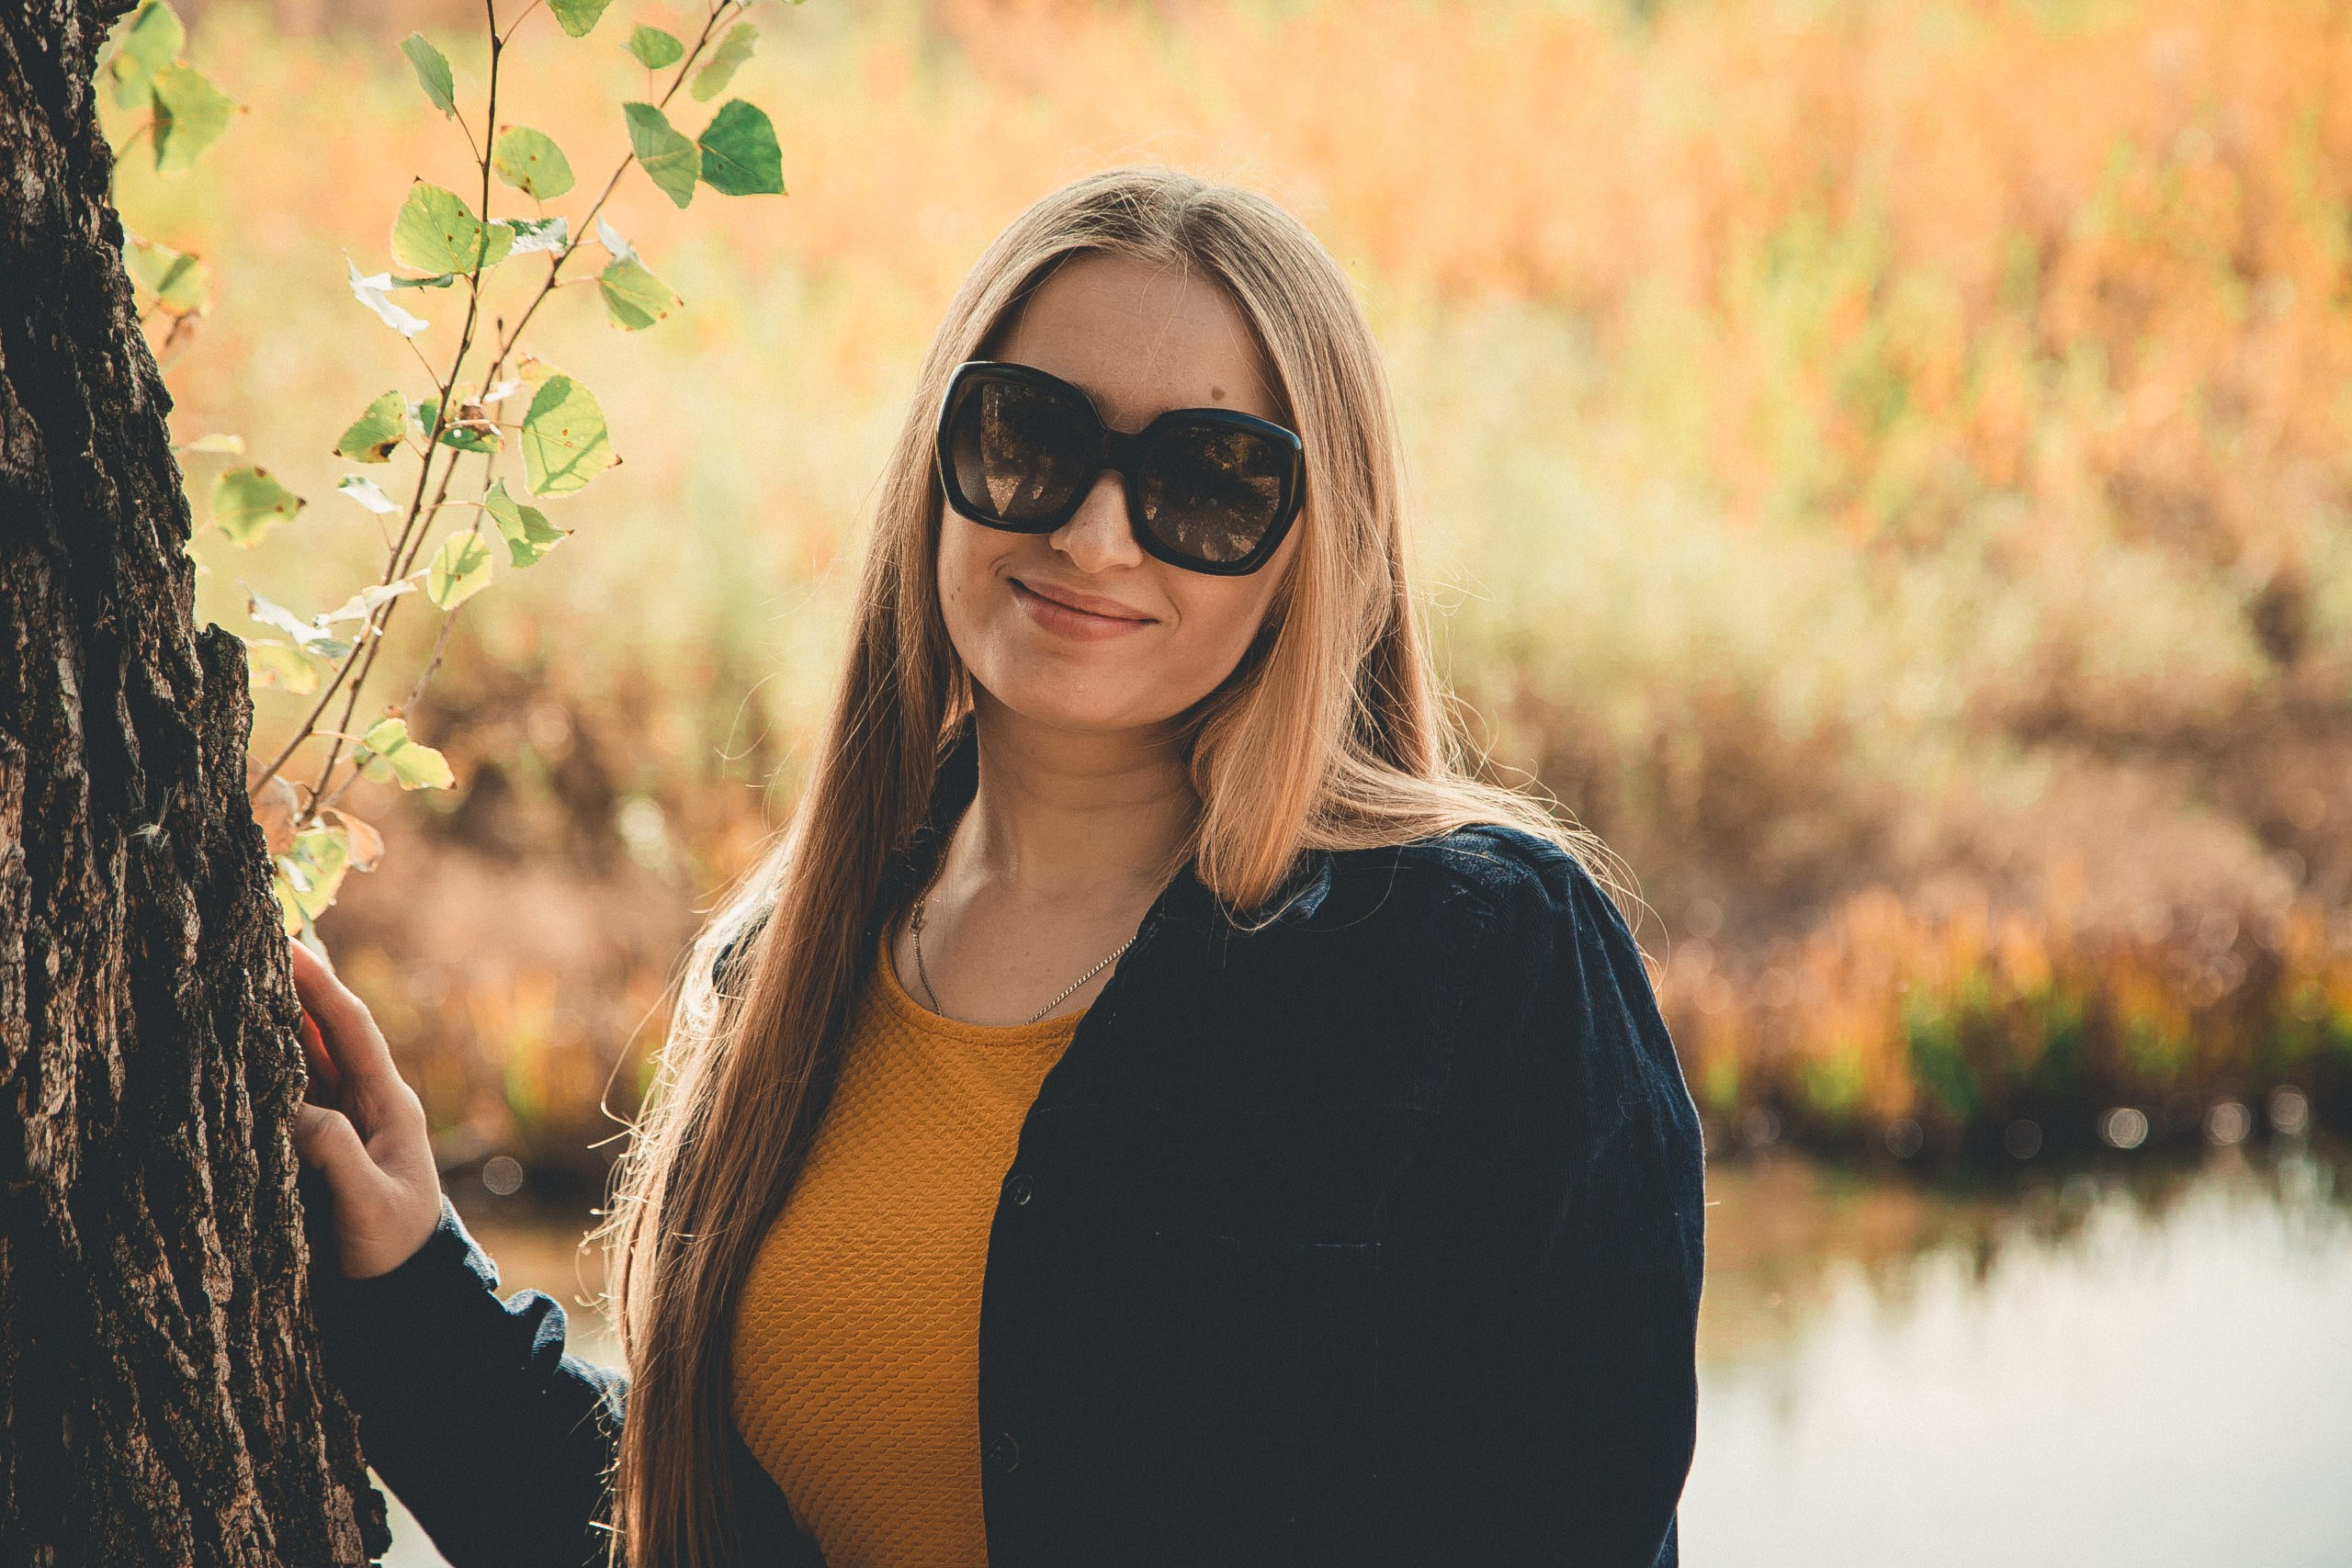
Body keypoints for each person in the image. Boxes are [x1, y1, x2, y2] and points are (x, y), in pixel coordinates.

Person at [291, 166, 1706, 1568]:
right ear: (941, 460)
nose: (1093, 535)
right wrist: (419, 1296)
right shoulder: (788, 967)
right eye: (1030, 435)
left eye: (1208, 481)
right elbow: (685, 1536)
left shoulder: (1484, 959)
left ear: (1311, 544)